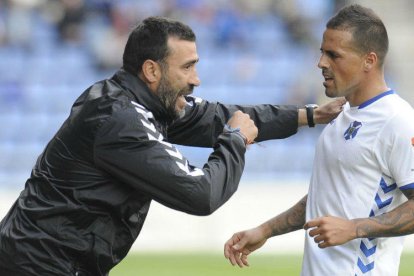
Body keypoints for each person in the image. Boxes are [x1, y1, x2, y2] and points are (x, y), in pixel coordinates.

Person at [0, 16, 343, 276]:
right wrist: (235, 141)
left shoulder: (144, 103)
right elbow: (200, 194)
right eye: (188, 67)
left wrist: (307, 115)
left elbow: (219, 116)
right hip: (37, 265)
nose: (196, 79)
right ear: (152, 70)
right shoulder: (119, 119)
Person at [224, 4, 414, 276]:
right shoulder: (340, 115)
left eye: (333, 55)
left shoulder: (397, 120)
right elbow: (326, 197)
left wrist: (354, 228)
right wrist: (264, 231)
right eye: (322, 52)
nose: (321, 63)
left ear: (369, 61)